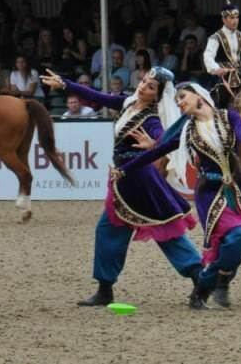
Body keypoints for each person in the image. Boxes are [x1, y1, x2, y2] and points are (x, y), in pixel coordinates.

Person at [39, 67, 202, 308]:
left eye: (150, 86)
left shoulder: (151, 118)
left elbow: (167, 139)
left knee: (165, 232)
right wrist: (65, 83)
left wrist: (154, 143)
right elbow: (98, 96)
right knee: (111, 230)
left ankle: (201, 278)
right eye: (144, 80)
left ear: (157, 96)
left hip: (140, 182)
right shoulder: (128, 102)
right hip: (124, 181)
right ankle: (105, 289)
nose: (143, 86)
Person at [112, 82, 241, 310]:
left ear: (199, 95)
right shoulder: (188, 131)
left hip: (236, 190)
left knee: (236, 244)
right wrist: (125, 169)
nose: (179, 102)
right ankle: (212, 284)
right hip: (209, 192)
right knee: (236, 237)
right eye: (177, 100)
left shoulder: (229, 117)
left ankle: (212, 285)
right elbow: (158, 152)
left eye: (183, 97)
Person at [203, 0, 241, 108]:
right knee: (220, 97)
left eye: (236, 18)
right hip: (223, 76)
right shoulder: (216, 37)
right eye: (231, 18)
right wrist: (216, 69)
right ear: (223, 19)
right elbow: (208, 56)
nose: (235, 21)